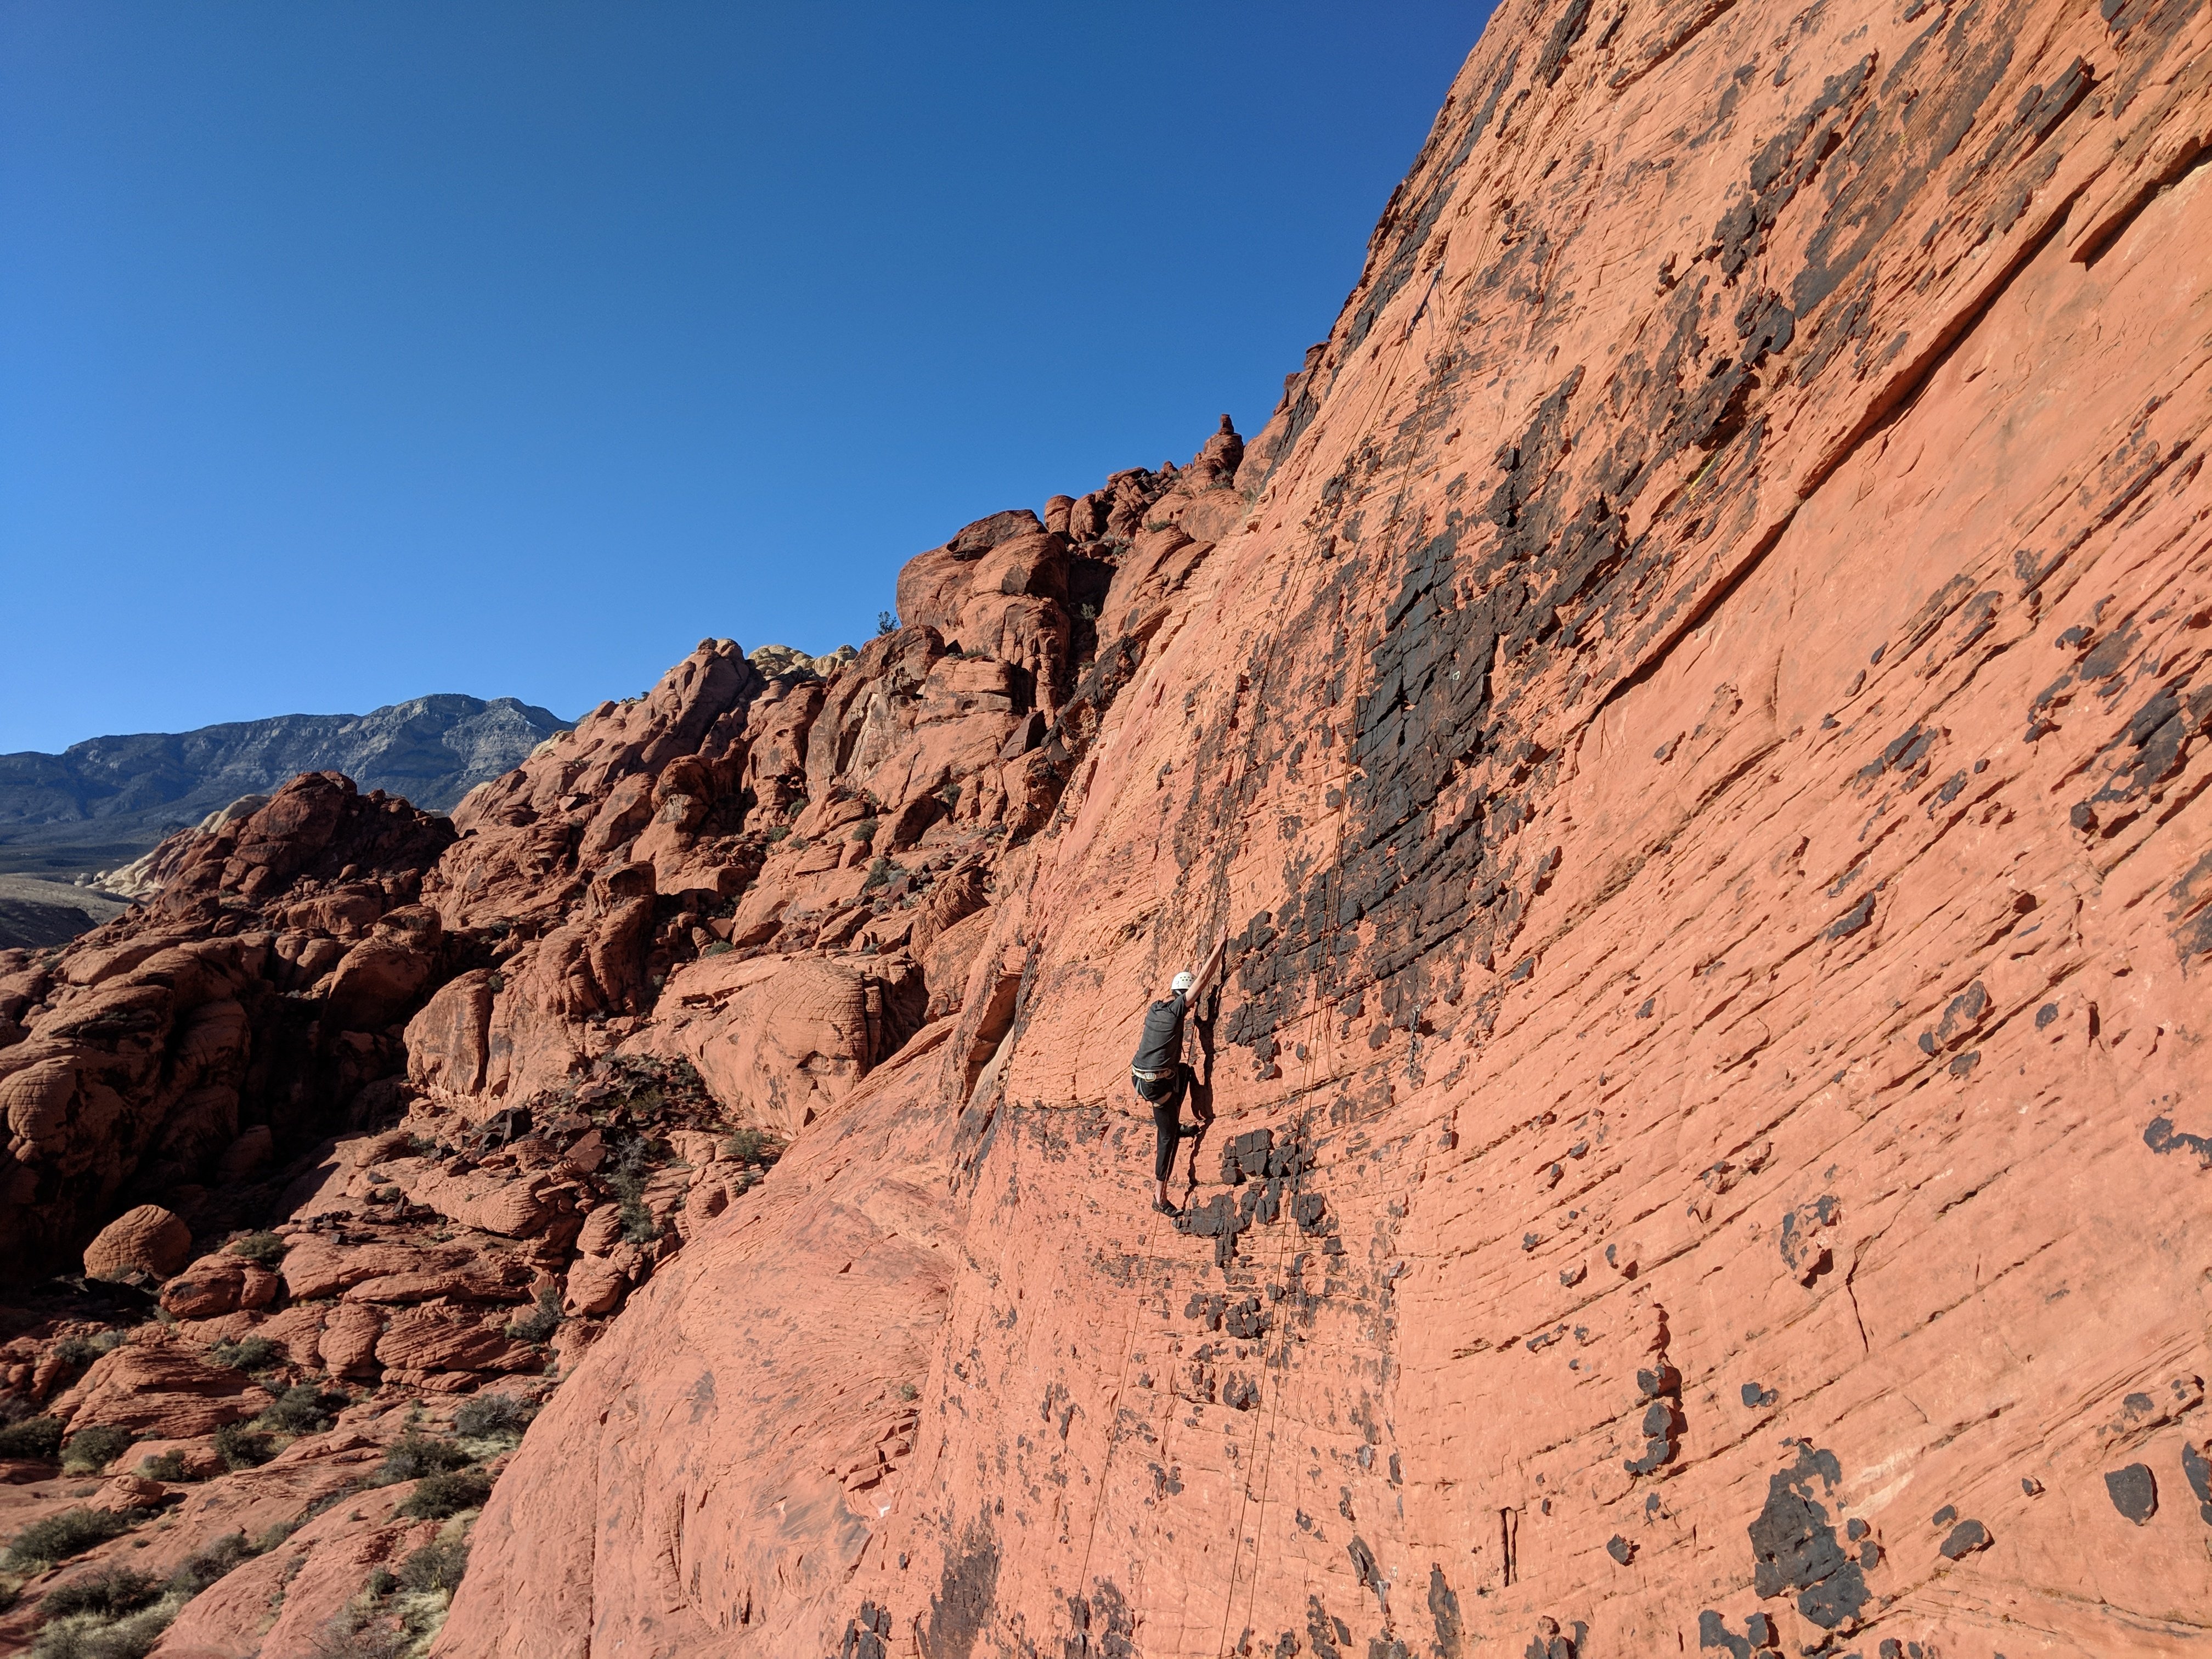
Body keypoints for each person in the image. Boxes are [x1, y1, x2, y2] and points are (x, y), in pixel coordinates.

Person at [1131, 935, 1226, 1214]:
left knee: (1184, 1071)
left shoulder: (1156, 1009)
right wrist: (1219, 946)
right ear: (1187, 999)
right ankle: (1159, 1198)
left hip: (1141, 1077)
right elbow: (1203, 980)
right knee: (1167, 1137)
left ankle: (1176, 1120)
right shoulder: (1175, 1012)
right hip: (1155, 1086)